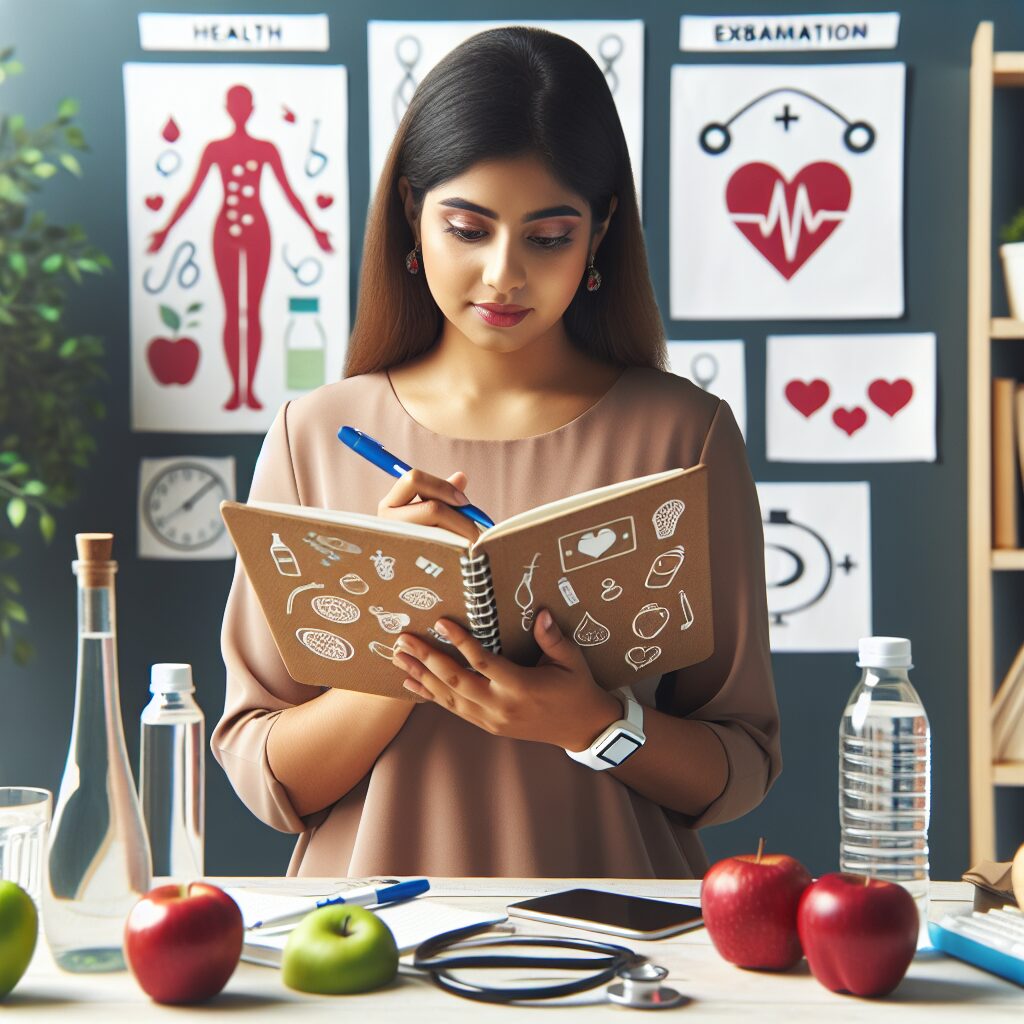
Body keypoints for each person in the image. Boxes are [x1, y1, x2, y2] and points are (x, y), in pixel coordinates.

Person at [213, 26, 781, 878]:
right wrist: (395, 653)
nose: (504, 276)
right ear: (413, 212)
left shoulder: (686, 438)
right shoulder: (313, 435)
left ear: (601, 232)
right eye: (467, 229)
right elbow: (268, 777)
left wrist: (590, 723)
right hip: (370, 951)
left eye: (548, 237)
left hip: (620, 945)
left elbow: (738, 765)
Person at [148, 84, 333, 411]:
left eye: (243, 104)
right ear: (229, 109)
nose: (240, 110)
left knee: (254, 310)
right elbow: (191, 194)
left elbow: (290, 193)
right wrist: (165, 230)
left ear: (250, 109)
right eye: (236, 104)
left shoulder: (266, 149)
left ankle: (251, 391)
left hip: (259, 232)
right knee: (233, 311)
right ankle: (237, 390)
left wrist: (314, 229)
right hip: (224, 234)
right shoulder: (214, 149)